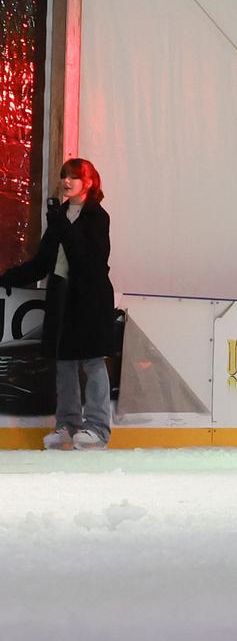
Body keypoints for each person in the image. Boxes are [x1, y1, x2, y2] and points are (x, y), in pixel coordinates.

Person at [0, 159, 116, 450]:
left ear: (89, 182)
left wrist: (62, 224)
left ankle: (99, 428)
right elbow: (42, 263)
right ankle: (67, 424)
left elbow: (88, 262)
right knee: (64, 363)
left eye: (74, 177)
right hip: (62, 296)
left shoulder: (97, 217)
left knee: (92, 361)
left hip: (90, 298)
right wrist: (7, 277)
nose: (66, 181)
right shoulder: (59, 217)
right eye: (64, 175)